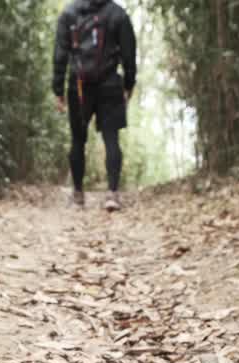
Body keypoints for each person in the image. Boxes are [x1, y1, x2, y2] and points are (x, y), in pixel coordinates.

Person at [53, 0, 137, 211]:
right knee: (111, 138)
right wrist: (128, 84)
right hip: (109, 83)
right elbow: (128, 55)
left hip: (78, 86)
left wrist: (58, 90)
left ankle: (78, 195)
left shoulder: (69, 13)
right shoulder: (118, 14)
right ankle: (112, 194)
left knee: (78, 140)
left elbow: (60, 54)